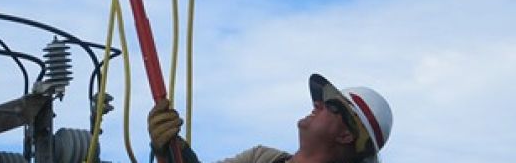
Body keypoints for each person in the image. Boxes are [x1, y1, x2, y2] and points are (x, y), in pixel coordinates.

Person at [148, 74, 393, 163]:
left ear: (346, 134)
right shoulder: (261, 157)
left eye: (330, 105)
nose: (316, 103)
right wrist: (167, 150)